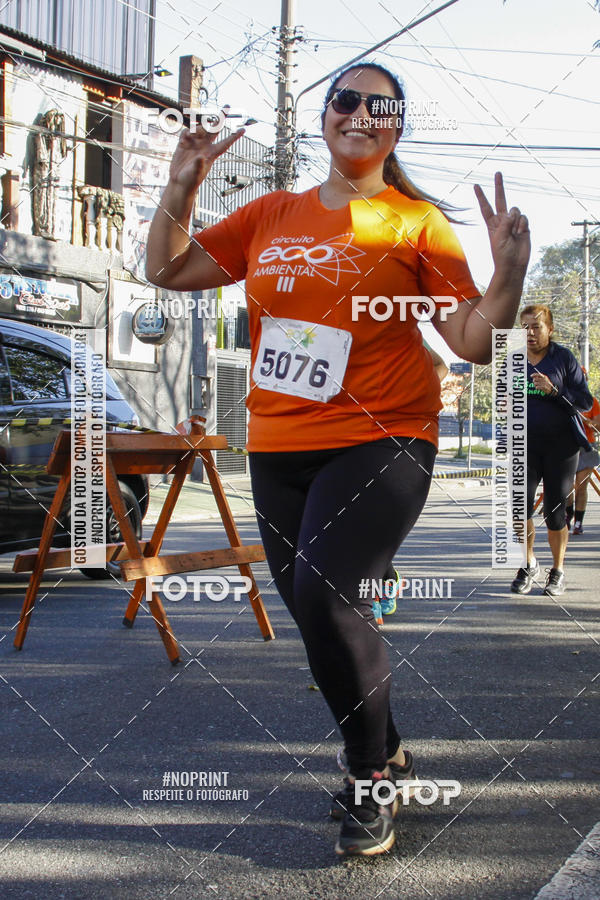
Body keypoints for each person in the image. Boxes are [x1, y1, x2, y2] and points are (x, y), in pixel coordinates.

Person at [146, 61, 530, 858]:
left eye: (378, 105)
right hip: (281, 446)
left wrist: (510, 276)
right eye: (344, 101)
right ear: (325, 118)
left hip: (384, 436)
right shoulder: (269, 215)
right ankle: (386, 745)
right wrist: (180, 189)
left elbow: (470, 342)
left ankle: (368, 780)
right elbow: (167, 270)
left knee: (327, 595)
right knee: (323, 618)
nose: (359, 113)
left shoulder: (416, 223)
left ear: (397, 125)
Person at [511, 305, 592, 597]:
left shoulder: (564, 359)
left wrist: (554, 392)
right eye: (524, 327)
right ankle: (529, 563)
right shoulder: (514, 360)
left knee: (556, 512)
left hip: (561, 447)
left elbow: (584, 402)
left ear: (550, 330)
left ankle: (557, 571)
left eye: (536, 327)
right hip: (525, 445)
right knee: (518, 508)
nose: (529, 333)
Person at [566, 369, 600, 534]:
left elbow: (598, 425)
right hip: (565, 447)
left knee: (581, 486)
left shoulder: (592, 402)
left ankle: (578, 522)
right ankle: (567, 516)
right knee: (566, 486)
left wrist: (587, 421)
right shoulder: (563, 399)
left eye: (581, 379)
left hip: (587, 447)